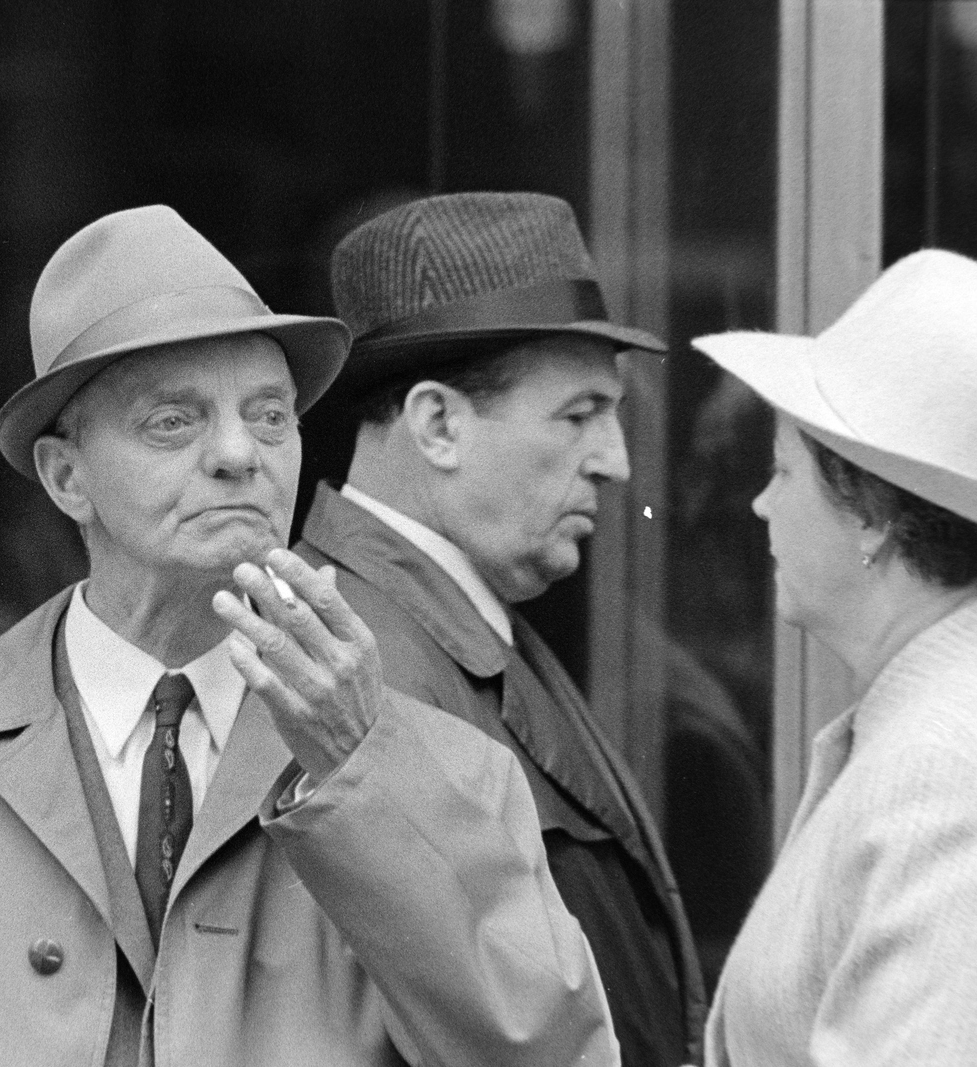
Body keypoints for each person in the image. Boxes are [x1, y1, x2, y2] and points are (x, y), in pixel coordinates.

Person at [0, 204, 620, 1066]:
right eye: (176, 420)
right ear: (65, 476)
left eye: (271, 415)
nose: (241, 453)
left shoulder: (450, 774)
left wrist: (365, 772)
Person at [299, 192, 706, 1067]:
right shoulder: (355, 659)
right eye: (578, 414)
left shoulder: (418, 625)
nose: (615, 459)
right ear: (438, 423)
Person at [692, 248, 977, 1065]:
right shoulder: (945, 718)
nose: (761, 503)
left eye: (782, 470)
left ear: (871, 513)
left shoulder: (948, 763)